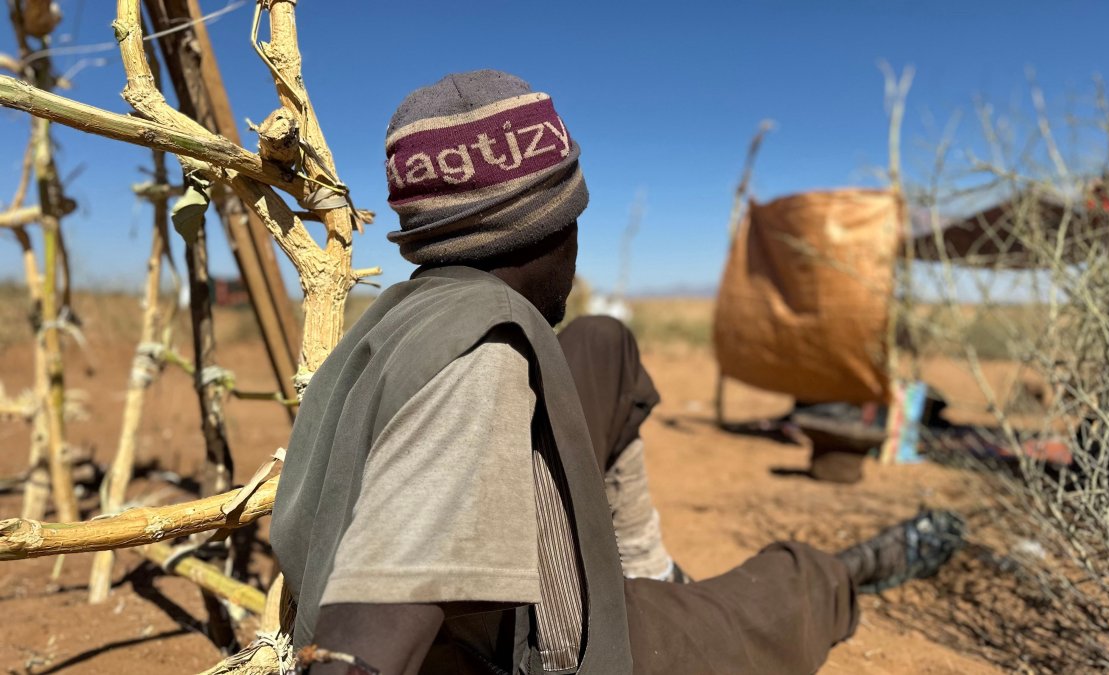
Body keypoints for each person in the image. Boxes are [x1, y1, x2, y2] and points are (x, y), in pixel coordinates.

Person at [271, 69, 964, 675]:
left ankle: (649, 568)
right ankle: (856, 568)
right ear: (555, 230)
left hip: (533, 569)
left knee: (603, 342)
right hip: (572, 651)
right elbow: (357, 652)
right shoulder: (478, 366)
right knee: (788, 591)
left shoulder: (407, 314)